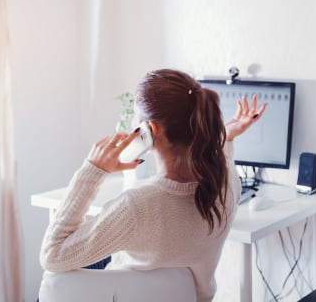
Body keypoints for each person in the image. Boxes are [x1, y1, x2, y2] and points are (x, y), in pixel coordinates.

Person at [39, 69, 267, 301]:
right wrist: (225, 136)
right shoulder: (228, 183)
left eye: (136, 119)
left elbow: (53, 255)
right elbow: (223, 159)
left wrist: (93, 170)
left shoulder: (137, 207)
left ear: (152, 129)